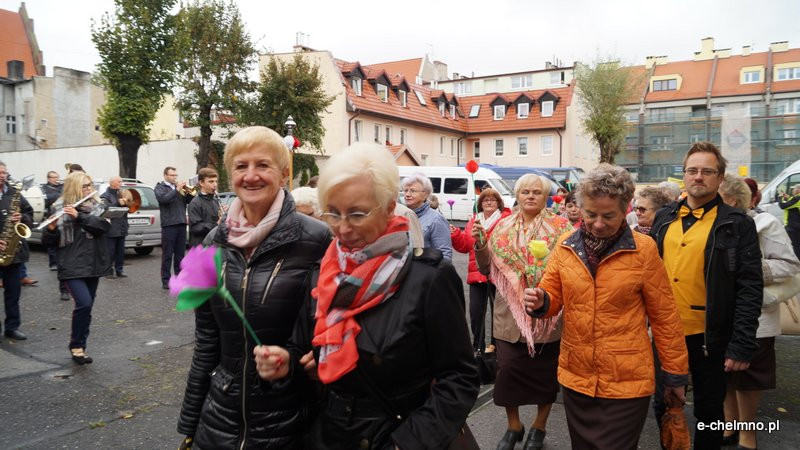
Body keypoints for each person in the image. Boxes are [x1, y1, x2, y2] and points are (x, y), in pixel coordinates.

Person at [254, 142, 479, 449]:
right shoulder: (325, 271)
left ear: (389, 208)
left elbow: (459, 378)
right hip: (331, 435)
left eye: (357, 214)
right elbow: (303, 345)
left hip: (398, 434)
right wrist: (286, 362)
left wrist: (408, 442)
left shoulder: (428, 277)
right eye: (332, 213)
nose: (343, 228)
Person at [176, 126, 332, 449]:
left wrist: (291, 359)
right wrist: (190, 423)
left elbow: (331, 331)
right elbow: (206, 340)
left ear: (284, 172)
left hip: (289, 422)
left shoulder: (317, 240)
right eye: (240, 166)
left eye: (263, 165)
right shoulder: (212, 242)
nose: (251, 176)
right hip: (220, 420)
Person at [523, 164, 689, 449]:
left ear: (626, 209)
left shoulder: (644, 249)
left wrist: (675, 375)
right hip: (578, 380)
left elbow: (664, 317)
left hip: (627, 381)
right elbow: (552, 295)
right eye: (591, 214)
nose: (598, 223)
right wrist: (541, 301)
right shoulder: (565, 246)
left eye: (608, 215)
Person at [650, 142, 762, 449]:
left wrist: (741, 343)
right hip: (665, 332)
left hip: (709, 336)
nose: (698, 177)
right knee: (663, 404)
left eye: (707, 171)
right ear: (684, 175)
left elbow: (750, 287)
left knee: (709, 411)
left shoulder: (736, 224)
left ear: (720, 177)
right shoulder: (664, 217)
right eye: (692, 170)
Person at [474, 173, 573, 450]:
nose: (530, 196)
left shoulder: (562, 227)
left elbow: (570, 267)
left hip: (548, 314)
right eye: (525, 192)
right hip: (510, 316)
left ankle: (539, 427)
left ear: (546, 197)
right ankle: (514, 425)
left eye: (536, 192)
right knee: (507, 373)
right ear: (516, 196)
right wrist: (481, 244)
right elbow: (486, 269)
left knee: (545, 375)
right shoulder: (503, 227)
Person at [719, 176, 800, 449]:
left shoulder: (766, 224)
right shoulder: (709, 225)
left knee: (748, 379)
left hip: (756, 316)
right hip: (717, 315)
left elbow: (789, 265)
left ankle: (747, 434)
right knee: (724, 376)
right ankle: (728, 426)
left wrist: (751, 270)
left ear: (732, 200)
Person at [42, 172, 111, 363]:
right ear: (74, 188)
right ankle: (76, 346)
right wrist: (51, 228)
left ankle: (80, 345)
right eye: (84, 186)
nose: (89, 189)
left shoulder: (98, 206)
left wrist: (79, 216)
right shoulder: (59, 207)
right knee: (84, 303)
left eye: (90, 185)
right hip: (71, 264)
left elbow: (102, 228)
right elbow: (48, 242)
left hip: (93, 263)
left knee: (86, 308)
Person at [450, 188, 511, 353]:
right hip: (476, 274)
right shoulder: (473, 221)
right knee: (476, 313)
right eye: (485, 200)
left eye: (493, 199)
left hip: (497, 275)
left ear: (499, 203)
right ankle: (478, 347)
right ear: (480, 204)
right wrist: (456, 235)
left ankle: (495, 348)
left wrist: (484, 238)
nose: (489, 202)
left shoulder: (506, 220)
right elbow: (465, 246)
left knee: (498, 314)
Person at [0, 162, 34, 341]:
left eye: (4, 172)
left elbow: (30, 214)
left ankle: (12, 327)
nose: (2, 175)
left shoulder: (15, 193)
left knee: (13, 292)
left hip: (13, 252)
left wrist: (22, 217)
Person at [155, 166, 193, 290]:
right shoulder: (160, 188)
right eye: (172, 175)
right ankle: (165, 280)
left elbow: (189, 201)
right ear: (165, 175)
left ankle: (180, 278)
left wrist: (189, 193)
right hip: (169, 225)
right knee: (167, 254)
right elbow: (164, 199)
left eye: (175, 175)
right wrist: (177, 189)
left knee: (180, 255)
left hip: (181, 223)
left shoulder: (178, 189)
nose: (175, 177)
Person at [401, 173, 453, 260]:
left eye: (413, 191)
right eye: (406, 190)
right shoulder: (401, 215)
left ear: (425, 195)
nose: (407, 194)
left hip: (424, 271)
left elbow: (445, 255)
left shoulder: (436, 219)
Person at [100, 176, 129, 278]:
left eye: (121, 181)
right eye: (119, 181)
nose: (121, 183)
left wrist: (129, 203)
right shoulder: (105, 196)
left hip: (122, 227)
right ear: (112, 183)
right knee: (110, 252)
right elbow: (105, 209)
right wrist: (118, 203)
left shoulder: (121, 193)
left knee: (120, 252)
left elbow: (128, 208)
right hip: (111, 228)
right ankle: (108, 271)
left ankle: (119, 270)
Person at [187, 168, 221, 247]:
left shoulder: (215, 200)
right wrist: (216, 224)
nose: (215, 184)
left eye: (216, 181)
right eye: (211, 181)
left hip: (215, 244)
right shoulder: (195, 203)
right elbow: (196, 228)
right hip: (201, 246)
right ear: (201, 183)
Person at [43, 170, 63, 271]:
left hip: (63, 216)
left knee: (62, 240)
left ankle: (62, 262)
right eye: (54, 177)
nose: (56, 179)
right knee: (53, 242)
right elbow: (47, 199)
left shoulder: (62, 187)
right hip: (52, 217)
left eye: (57, 177)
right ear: (48, 179)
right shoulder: (44, 189)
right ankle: (53, 263)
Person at [778, 183, 800, 259]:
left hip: (793, 227)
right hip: (794, 226)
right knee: (795, 245)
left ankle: (797, 263)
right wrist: (786, 197)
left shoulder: (798, 199)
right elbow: (791, 202)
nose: (792, 190)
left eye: (794, 189)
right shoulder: (796, 198)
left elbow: (783, 206)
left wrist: (780, 198)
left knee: (795, 246)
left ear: (798, 190)